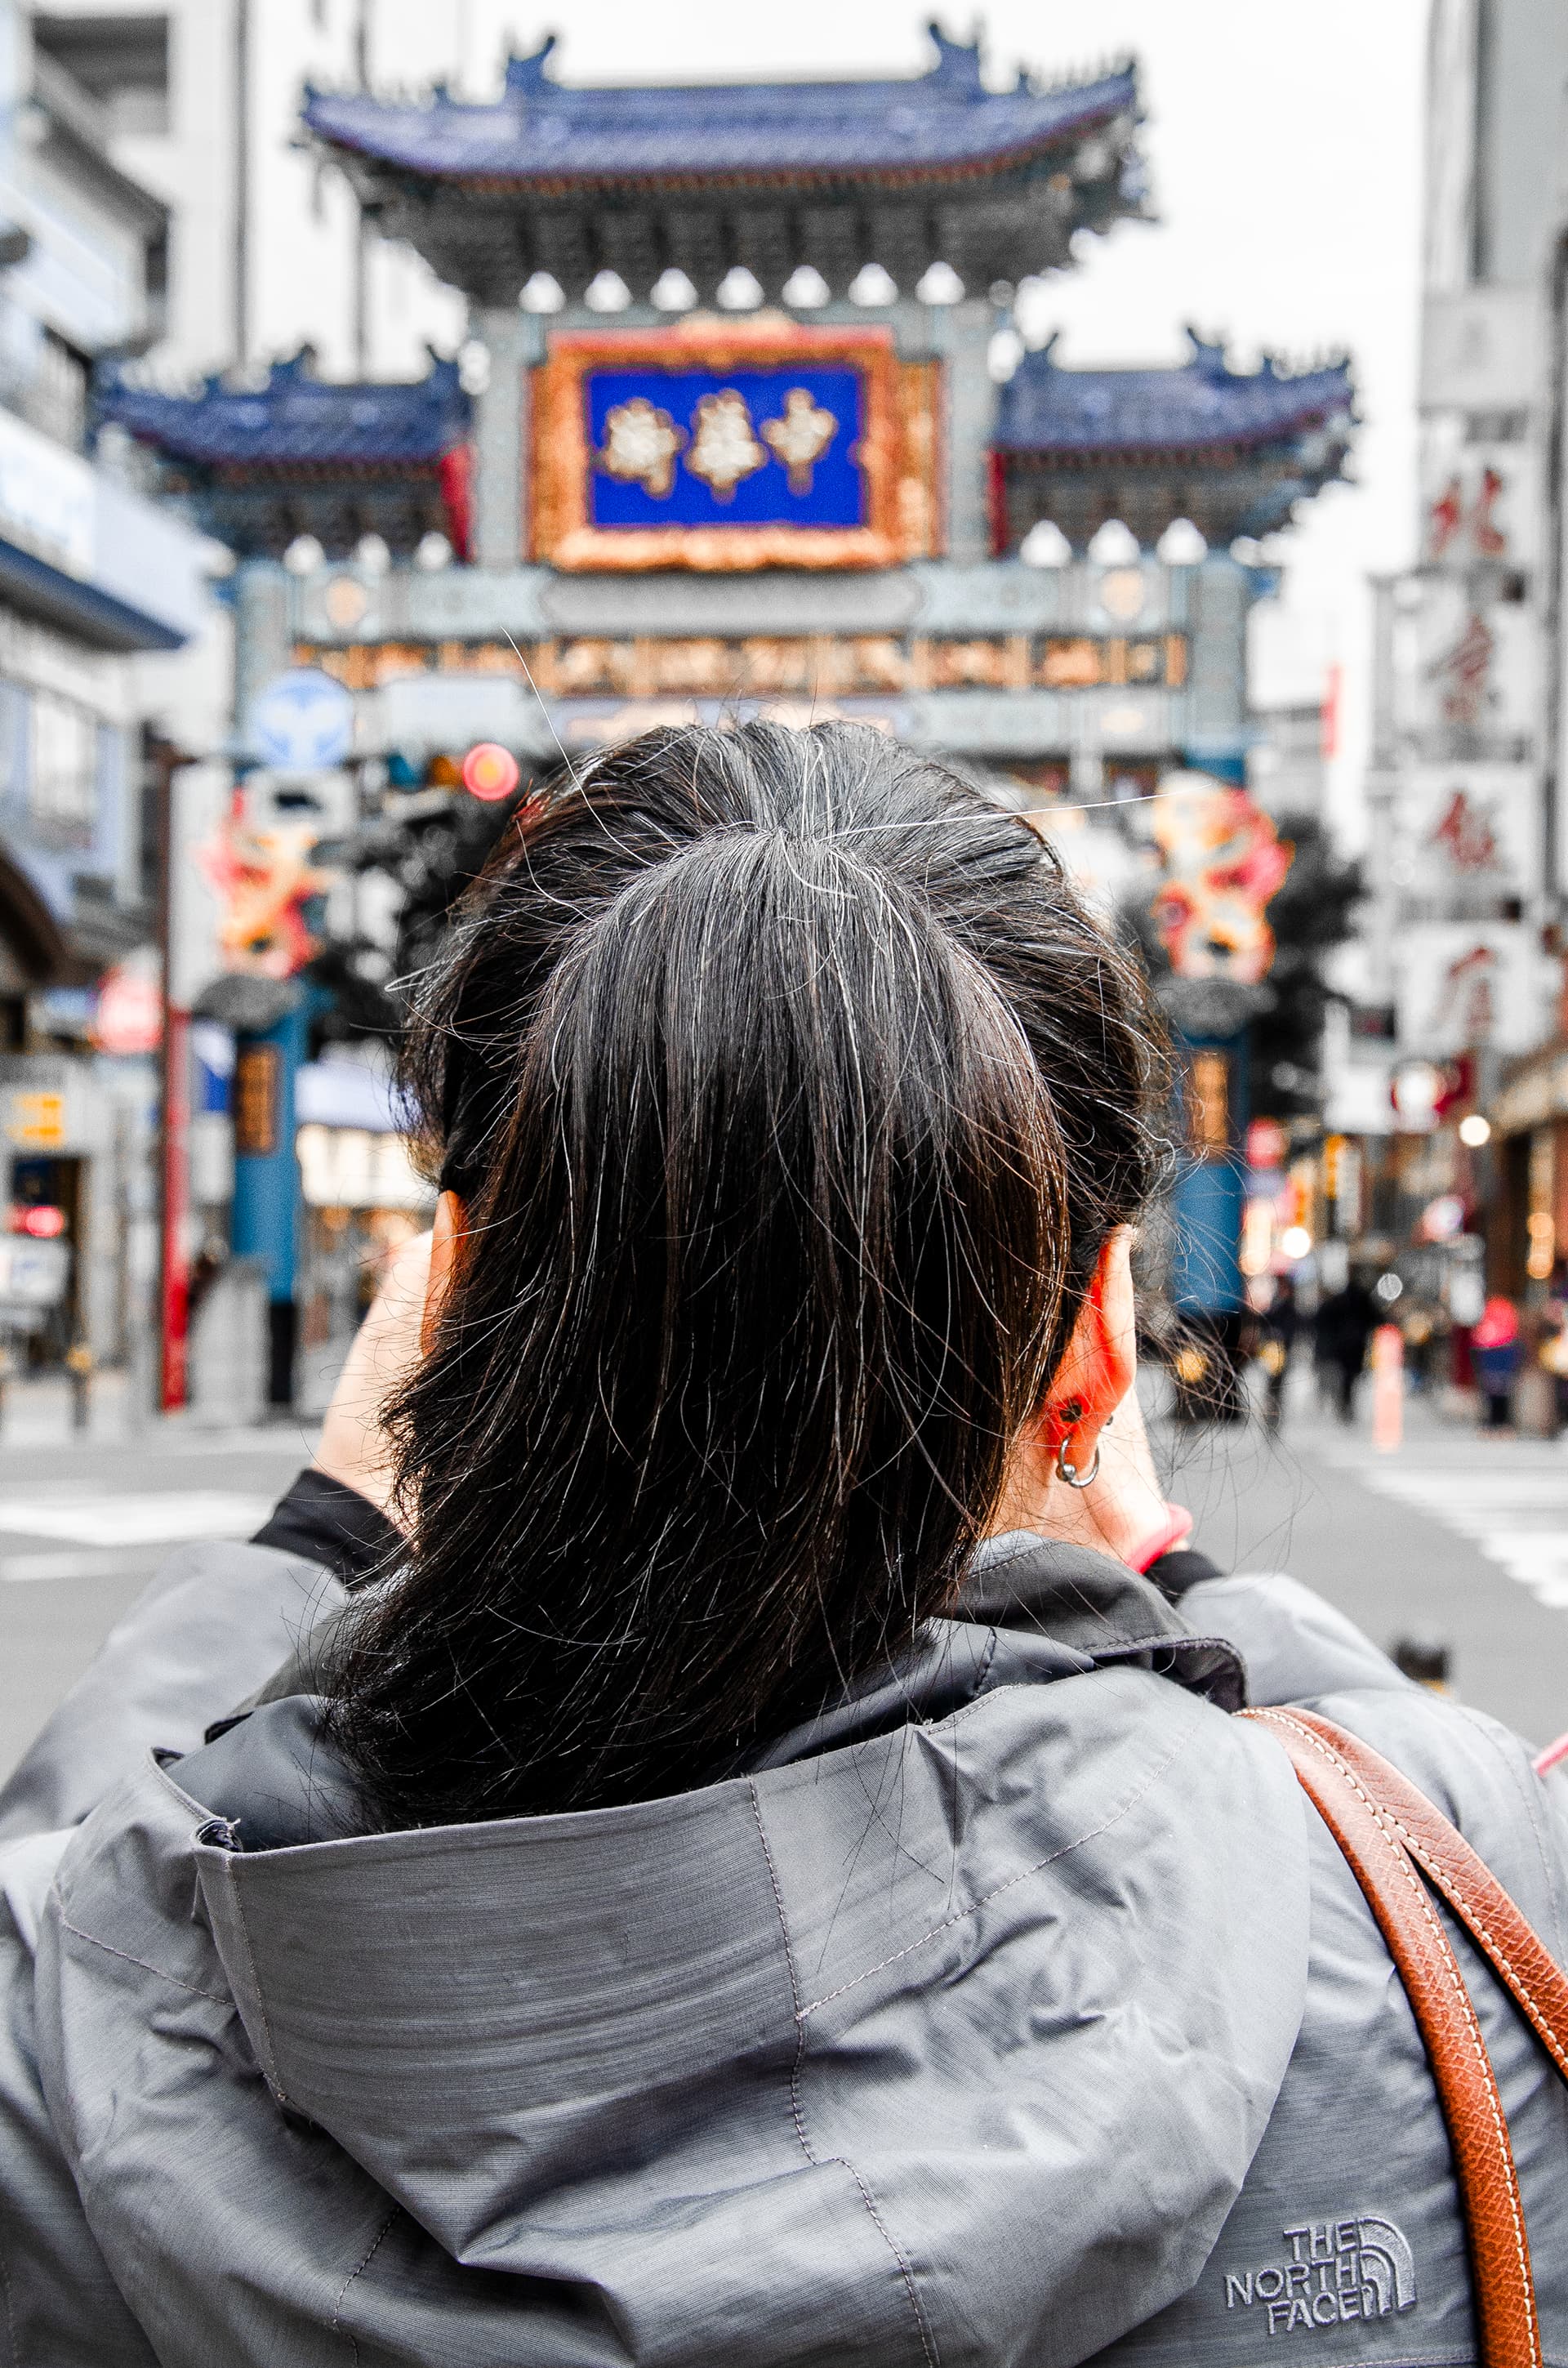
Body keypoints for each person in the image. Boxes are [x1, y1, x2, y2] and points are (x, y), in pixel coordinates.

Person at [1, 721, 1566, 2366]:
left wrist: (313, 1536)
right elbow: (1431, 1859)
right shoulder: (1458, 1890)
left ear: (444, 1309)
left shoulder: (68, 2029)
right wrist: (1176, 1566)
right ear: (1094, 1352)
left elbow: (83, 1907)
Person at [1312, 1269, 1378, 1423]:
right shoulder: (1362, 1299)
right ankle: (1346, 1402)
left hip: (1342, 1344)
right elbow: (1374, 1317)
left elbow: (1324, 1321)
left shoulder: (1340, 1300)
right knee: (1351, 1376)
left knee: (1345, 1375)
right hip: (1356, 1344)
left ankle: (1345, 1402)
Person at [1471, 1291, 1522, 1432]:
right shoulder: (1504, 1312)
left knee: (1494, 1392)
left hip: (1495, 1354)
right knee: (1501, 1392)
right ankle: (1501, 1423)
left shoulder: (1494, 1312)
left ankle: (1496, 1423)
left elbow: (1480, 1337)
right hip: (1501, 1354)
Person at [1255, 1273, 1299, 1431]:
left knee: (1277, 1385)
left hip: (1282, 1352)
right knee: (1271, 1384)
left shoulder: (1289, 1307)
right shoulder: (1274, 1305)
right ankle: (1271, 1411)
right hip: (1271, 1352)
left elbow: (1292, 1329)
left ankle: (1274, 1411)